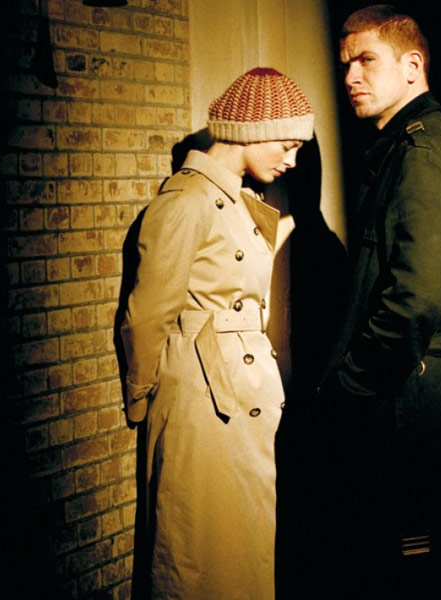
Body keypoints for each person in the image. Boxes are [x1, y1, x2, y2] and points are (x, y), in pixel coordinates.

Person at [119, 67, 313, 600]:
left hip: (236, 396)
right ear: (251, 131)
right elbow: (148, 313)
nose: (292, 160)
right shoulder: (186, 203)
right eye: (288, 145)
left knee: (238, 553)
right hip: (203, 404)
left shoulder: (232, 200)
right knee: (200, 554)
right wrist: (139, 395)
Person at [314, 4, 441, 597]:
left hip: (406, 391)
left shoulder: (422, 153)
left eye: (366, 60)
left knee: (404, 559)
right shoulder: (408, 146)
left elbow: (416, 298)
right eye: (345, 64)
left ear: (412, 66)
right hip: (409, 384)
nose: (350, 77)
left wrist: (350, 386)